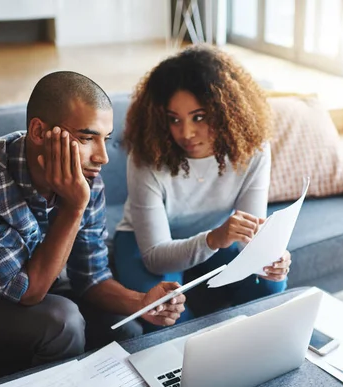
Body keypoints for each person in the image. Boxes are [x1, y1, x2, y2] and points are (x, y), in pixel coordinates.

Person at [0, 71, 186, 367]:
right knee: (63, 323)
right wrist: (73, 207)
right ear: (38, 132)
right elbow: (26, 293)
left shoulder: (86, 174)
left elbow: (91, 276)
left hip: (41, 279)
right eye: (86, 138)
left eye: (105, 140)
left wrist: (142, 303)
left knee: (126, 328)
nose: (102, 157)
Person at [113, 46, 292, 327]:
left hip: (217, 240)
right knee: (168, 312)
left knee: (270, 286)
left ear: (226, 111)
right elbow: (156, 258)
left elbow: (251, 234)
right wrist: (213, 239)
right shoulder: (147, 155)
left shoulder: (253, 149)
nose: (186, 133)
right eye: (174, 119)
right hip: (147, 245)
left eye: (199, 117)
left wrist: (272, 260)